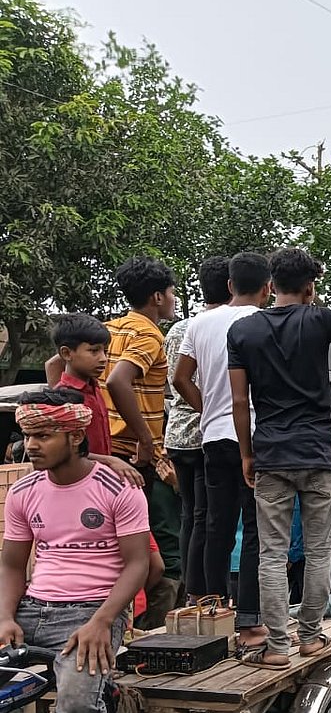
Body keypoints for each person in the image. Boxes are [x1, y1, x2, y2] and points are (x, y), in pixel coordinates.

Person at [0, 388, 151, 713]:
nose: (32, 446)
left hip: (94, 612)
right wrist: (5, 615)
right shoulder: (23, 492)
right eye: (28, 436)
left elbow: (137, 564)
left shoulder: (118, 488)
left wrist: (103, 621)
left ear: (75, 434)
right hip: (34, 610)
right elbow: (10, 565)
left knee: (77, 702)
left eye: (44, 435)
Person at [228, 250, 331, 666]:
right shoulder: (320, 319)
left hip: (271, 454)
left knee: (272, 554)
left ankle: (278, 647)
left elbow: (239, 402)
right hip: (317, 452)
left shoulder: (243, 332)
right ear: (310, 287)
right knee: (318, 552)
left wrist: (247, 453)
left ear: (271, 285)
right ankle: (311, 636)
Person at [175, 251, 273, 645]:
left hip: (214, 435)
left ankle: (213, 607)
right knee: (254, 528)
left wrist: (209, 408)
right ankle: (249, 620)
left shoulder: (197, 324)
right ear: (268, 288)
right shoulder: (264, 322)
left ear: (230, 285)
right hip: (258, 435)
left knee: (216, 525)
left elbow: (180, 378)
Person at [90, 256, 181, 627]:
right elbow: (118, 381)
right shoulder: (148, 334)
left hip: (103, 454)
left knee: (120, 548)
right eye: (173, 293)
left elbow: (55, 365)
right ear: (157, 297)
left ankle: (126, 624)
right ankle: (151, 631)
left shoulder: (106, 330)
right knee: (164, 549)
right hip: (135, 457)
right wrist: (146, 440)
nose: (175, 299)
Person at [164, 256, 230, 609]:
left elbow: (171, 382)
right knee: (209, 516)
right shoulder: (217, 328)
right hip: (205, 434)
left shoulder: (177, 329)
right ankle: (205, 592)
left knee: (190, 514)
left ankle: (192, 588)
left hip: (176, 432)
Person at [47, 314, 141, 486]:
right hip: (77, 484)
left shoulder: (95, 388)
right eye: (94, 351)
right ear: (67, 353)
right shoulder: (63, 398)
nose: (103, 358)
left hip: (98, 480)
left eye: (105, 351)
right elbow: (63, 453)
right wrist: (110, 461)